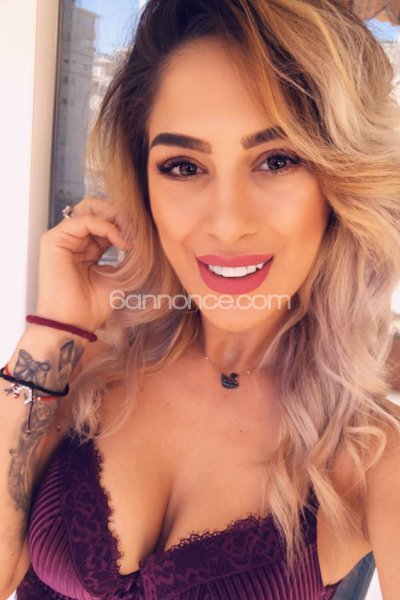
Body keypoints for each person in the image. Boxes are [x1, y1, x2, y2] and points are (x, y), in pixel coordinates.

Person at [1, 0, 400, 598]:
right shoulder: (90, 361)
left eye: (277, 160)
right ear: (144, 186)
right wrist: (55, 325)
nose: (227, 223)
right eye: (184, 166)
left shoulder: (371, 454)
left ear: (338, 182)